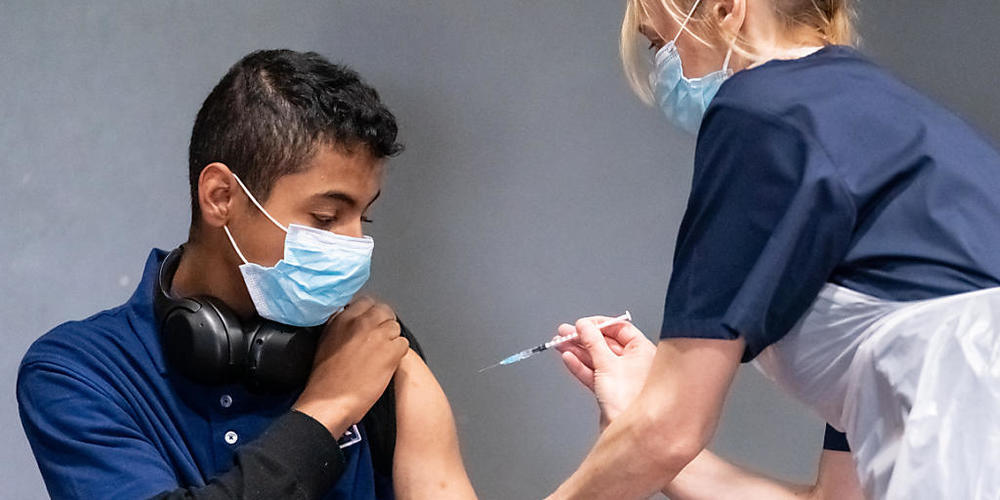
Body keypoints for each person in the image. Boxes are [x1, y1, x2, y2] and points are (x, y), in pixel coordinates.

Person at [546, 0, 1000, 498]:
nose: (663, 72)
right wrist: (643, 416)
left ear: (725, 9)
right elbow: (837, 498)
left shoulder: (758, 113)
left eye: (659, 44)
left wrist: (653, 416)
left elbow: (670, 430)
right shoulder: (890, 119)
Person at [17, 49, 476, 500]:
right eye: (325, 217)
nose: (354, 244)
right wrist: (328, 408)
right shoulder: (77, 373)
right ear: (220, 197)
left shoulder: (370, 345)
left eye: (364, 218)